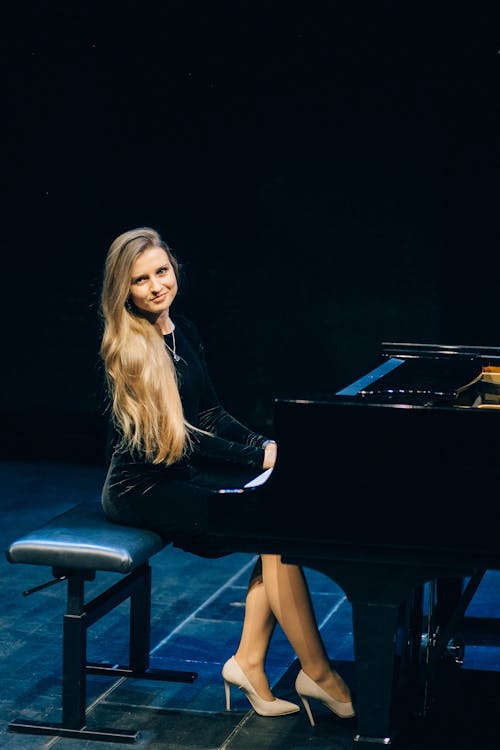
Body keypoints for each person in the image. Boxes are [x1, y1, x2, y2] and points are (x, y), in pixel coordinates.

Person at [99, 226, 355, 725]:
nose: (155, 286)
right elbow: (181, 436)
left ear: (174, 270)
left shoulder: (183, 331)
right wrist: (258, 460)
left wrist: (265, 445)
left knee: (272, 524)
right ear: (123, 290)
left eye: (161, 272)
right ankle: (317, 673)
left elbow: (211, 414)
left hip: (177, 474)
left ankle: (250, 665)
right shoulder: (130, 349)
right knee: (271, 526)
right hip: (141, 489)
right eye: (140, 280)